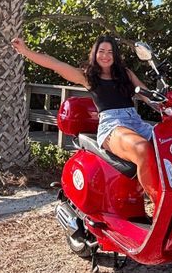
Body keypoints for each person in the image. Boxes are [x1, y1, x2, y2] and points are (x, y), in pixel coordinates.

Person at [11, 34, 160, 203]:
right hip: (112, 126)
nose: (105, 55)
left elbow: (148, 95)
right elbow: (55, 64)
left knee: (171, 144)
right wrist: (25, 51)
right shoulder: (88, 76)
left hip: (136, 122)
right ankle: (160, 204)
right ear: (95, 54)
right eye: (101, 51)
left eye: (110, 52)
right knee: (142, 148)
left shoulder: (125, 73)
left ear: (115, 55)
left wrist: (167, 106)